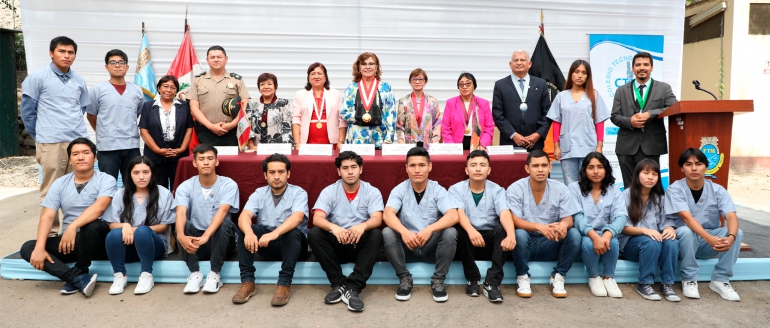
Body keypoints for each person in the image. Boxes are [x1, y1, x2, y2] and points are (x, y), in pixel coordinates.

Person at [19, 138, 116, 297]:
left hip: (100, 241)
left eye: (86, 153)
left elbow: (99, 208)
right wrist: (40, 247)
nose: (81, 157)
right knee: (28, 248)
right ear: (70, 160)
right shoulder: (60, 183)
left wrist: (72, 227)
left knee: (91, 226)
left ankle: (81, 269)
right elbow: (48, 216)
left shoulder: (106, 179)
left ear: (95, 157)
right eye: (75, 154)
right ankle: (77, 278)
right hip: (70, 243)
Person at [20, 36, 91, 235]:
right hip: (51, 142)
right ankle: (50, 233)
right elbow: (27, 112)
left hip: (77, 141)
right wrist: (42, 135)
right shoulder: (37, 77)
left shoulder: (78, 80)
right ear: (51, 53)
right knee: (52, 189)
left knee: (78, 188)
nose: (67, 56)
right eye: (62, 51)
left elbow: (82, 108)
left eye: (71, 52)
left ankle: (75, 231)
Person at [308, 151, 384, 312]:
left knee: (376, 234)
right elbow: (317, 218)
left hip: (360, 245)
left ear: (361, 169)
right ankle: (338, 284)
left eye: (354, 167)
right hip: (337, 244)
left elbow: (377, 218)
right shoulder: (330, 191)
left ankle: (353, 288)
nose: (350, 172)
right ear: (339, 171)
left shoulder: (371, 191)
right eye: (345, 168)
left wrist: (362, 226)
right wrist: (334, 228)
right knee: (314, 233)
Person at [666, 148, 743, 301]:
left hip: (709, 244)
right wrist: (709, 238)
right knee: (687, 231)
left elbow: (731, 216)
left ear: (706, 167)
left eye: (698, 164)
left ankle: (720, 280)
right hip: (684, 244)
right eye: (688, 164)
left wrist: (731, 238)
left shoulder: (717, 189)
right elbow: (686, 218)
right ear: (682, 168)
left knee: (737, 232)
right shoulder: (674, 189)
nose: (694, 168)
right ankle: (689, 279)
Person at [382, 147, 459, 302]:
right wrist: (404, 232)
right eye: (412, 165)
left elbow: (453, 215)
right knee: (387, 232)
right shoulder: (399, 190)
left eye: (422, 165)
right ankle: (404, 279)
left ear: (430, 167)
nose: (417, 170)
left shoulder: (438, 190)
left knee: (451, 232)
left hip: (431, 247)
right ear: (406, 168)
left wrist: (430, 229)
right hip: (407, 247)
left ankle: (438, 281)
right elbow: (387, 214)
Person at [234, 154, 309, 306]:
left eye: (281, 172)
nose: (276, 176)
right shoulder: (259, 193)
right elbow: (244, 215)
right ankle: (247, 282)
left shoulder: (299, 193)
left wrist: (274, 234)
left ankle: (284, 284)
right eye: (272, 172)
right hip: (267, 245)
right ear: (265, 175)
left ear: (288, 173)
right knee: (245, 228)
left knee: (292, 231)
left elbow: (298, 217)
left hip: (294, 247)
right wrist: (249, 233)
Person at [507, 149, 581, 298]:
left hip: (550, 242)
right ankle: (522, 277)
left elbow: (569, 219)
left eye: (544, 165)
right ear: (527, 168)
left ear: (550, 167)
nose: (540, 169)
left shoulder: (560, 189)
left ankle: (558, 277)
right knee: (519, 234)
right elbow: (514, 220)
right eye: (535, 166)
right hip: (525, 243)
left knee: (574, 234)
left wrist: (563, 226)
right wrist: (539, 227)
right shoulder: (515, 188)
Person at [449, 150, 516, 302]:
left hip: (490, 241)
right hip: (468, 240)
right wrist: (471, 230)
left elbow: (505, 213)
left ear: (489, 170)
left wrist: (511, 235)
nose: (478, 169)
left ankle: (492, 283)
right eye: (473, 165)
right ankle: (472, 279)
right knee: (458, 229)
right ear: (467, 170)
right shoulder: (455, 189)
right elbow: (459, 213)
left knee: (503, 229)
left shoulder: (497, 190)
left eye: (482, 165)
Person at [104, 156, 176, 295]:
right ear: (129, 175)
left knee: (142, 231)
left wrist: (135, 230)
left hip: (154, 246)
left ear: (152, 173)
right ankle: (119, 276)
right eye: (136, 173)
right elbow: (112, 224)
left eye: (145, 172)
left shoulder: (163, 193)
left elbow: (164, 226)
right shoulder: (120, 194)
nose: (141, 177)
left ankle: (146, 275)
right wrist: (125, 226)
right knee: (114, 233)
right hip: (128, 247)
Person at [174, 144, 239, 294]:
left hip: (221, 241)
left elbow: (222, 211)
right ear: (194, 163)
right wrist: (181, 236)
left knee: (224, 224)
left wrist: (206, 236)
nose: (206, 162)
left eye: (210, 158)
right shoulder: (185, 186)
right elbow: (181, 213)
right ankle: (195, 274)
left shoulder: (229, 184)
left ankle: (215, 274)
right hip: (195, 243)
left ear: (216, 161)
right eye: (201, 159)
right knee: (183, 225)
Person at [610, 52, 678, 188]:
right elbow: (615, 116)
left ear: (652, 68)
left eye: (646, 64)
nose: (642, 68)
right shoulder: (621, 91)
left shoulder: (664, 88)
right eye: (638, 65)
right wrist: (630, 122)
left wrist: (650, 114)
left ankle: (650, 210)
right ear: (633, 68)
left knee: (650, 187)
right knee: (630, 188)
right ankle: (631, 210)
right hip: (626, 146)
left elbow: (674, 106)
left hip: (651, 145)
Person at [619, 159, 680, 302]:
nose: (650, 177)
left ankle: (667, 284)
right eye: (645, 173)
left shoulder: (660, 198)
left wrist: (669, 228)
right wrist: (645, 231)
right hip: (630, 246)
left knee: (672, 242)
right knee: (651, 241)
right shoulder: (625, 196)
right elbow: (622, 227)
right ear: (637, 175)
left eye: (654, 174)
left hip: (654, 242)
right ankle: (644, 283)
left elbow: (666, 222)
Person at [569, 152, 628, 298]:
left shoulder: (614, 190)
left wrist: (607, 234)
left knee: (613, 242)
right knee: (589, 244)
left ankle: (609, 278)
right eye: (591, 167)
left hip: (605, 233)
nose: (596, 171)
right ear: (584, 170)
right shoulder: (573, 188)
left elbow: (621, 216)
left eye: (600, 167)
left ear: (606, 169)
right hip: (584, 235)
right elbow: (577, 218)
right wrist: (595, 237)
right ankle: (594, 277)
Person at [546, 60, 610, 186]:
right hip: (568, 146)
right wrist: (556, 146)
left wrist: (599, 146)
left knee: (588, 182)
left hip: (588, 145)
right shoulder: (561, 96)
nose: (580, 75)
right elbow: (557, 123)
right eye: (577, 72)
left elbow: (599, 122)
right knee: (570, 183)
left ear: (588, 76)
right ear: (571, 74)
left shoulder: (594, 95)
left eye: (584, 73)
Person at [86, 49, 144, 181]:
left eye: (121, 62)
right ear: (106, 67)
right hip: (108, 147)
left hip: (131, 146)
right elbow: (91, 115)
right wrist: (103, 131)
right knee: (107, 183)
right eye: (113, 62)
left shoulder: (136, 91)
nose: (117, 65)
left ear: (127, 66)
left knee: (132, 183)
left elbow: (138, 113)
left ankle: (129, 203)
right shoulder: (98, 90)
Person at [139, 75, 194, 190]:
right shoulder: (148, 106)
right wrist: (158, 150)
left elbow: (189, 128)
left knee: (179, 188)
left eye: (173, 87)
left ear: (176, 90)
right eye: (165, 86)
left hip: (178, 155)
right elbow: (144, 131)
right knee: (157, 189)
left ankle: (178, 208)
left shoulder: (184, 106)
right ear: (159, 88)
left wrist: (182, 149)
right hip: (155, 156)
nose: (169, 90)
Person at [188, 45, 251, 146]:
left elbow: (245, 105)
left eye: (219, 57)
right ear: (207, 60)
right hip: (206, 132)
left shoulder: (236, 80)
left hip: (232, 132)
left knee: (232, 161)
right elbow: (194, 108)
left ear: (226, 59)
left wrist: (231, 125)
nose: (216, 60)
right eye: (212, 57)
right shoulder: (198, 80)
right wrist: (211, 126)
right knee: (207, 161)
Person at [492, 50, 552, 151]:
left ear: (529, 64)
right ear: (511, 64)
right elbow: (497, 114)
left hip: (535, 142)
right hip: (509, 142)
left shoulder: (541, 84)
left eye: (522, 60)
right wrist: (513, 135)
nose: (519, 63)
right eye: (516, 60)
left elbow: (548, 112)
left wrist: (538, 134)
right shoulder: (500, 85)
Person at [340, 52, 396, 148]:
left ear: (376, 67)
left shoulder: (385, 88)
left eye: (371, 64)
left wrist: (388, 140)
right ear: (359, 68)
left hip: (379, 139)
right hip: (356, 138)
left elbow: (391, 115)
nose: (367, 67)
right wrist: (363, 117)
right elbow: (344, 112)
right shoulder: (352, 88)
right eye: (364, 64)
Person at [291, 62, 346, 150]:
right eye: (313, 74)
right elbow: (296, 119)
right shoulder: (300, 94)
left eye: (319, 73)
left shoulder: (336, 94)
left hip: (332, 140)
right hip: (307, 140)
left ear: (325, 77)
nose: (316, 77)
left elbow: (342, 119)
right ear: (308, 78)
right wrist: (297, 143)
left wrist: (341, 141)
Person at [442, 72, 494, 151]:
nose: (464, 87)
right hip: (456, 145)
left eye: (468, 83)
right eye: (461, 84)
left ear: (474, 86)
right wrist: (451, 146)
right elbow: (445, 127)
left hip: (478, 144)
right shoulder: (450, 103)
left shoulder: (483, 103)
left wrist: (483, 144)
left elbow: (489, 127)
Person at [244, 73, 294, 150]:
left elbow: (287, 128)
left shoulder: (283, 103)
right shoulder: (251, 103)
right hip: (255, 148)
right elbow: (246, 126)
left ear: (275, 87)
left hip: (278, 149)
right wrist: (251, 146)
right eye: (262, 84)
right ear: (259, 88)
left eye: (269, 84)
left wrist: (283, 148)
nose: (266, 87)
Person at [396, 68, 442, 148]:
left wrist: (435, 143)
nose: (417, 82)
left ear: (425, 82)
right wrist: (402, 144)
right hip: (409, 144)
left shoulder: (432, 101)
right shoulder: (403, 101)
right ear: (409, 82)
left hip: (429, 144)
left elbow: (437, 124)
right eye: (414, 79)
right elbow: (400, 126)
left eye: (420, 79)